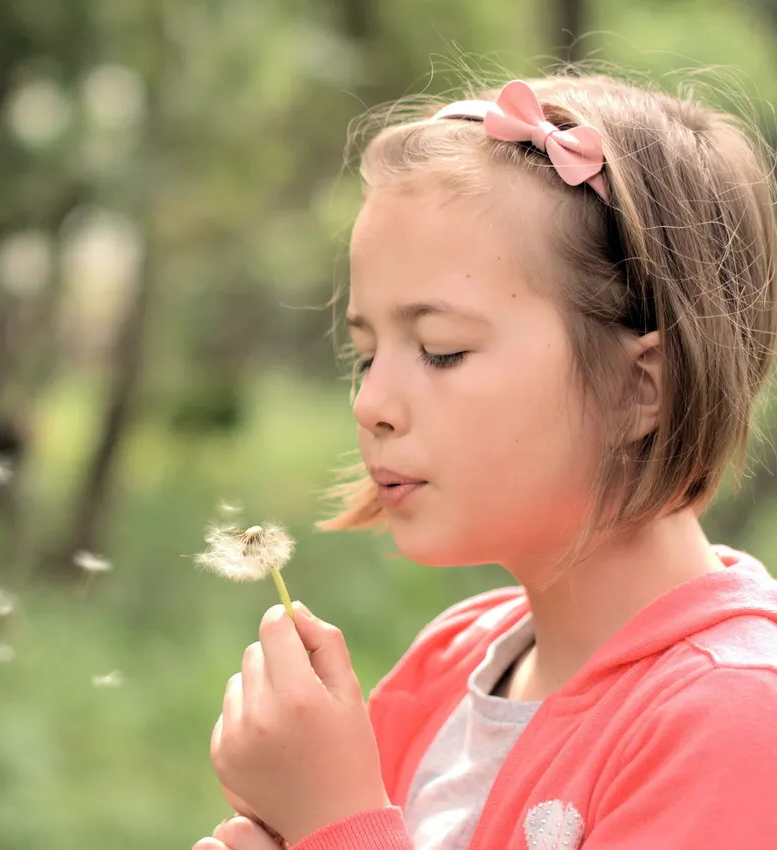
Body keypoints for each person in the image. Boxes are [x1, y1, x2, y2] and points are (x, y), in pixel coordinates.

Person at [194, 73, 777, 850]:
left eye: (441, 351)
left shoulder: (736, 717)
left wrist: (333, 821)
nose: (371, 404)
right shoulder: (447, 667)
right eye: (366, 356)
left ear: (643, 388)